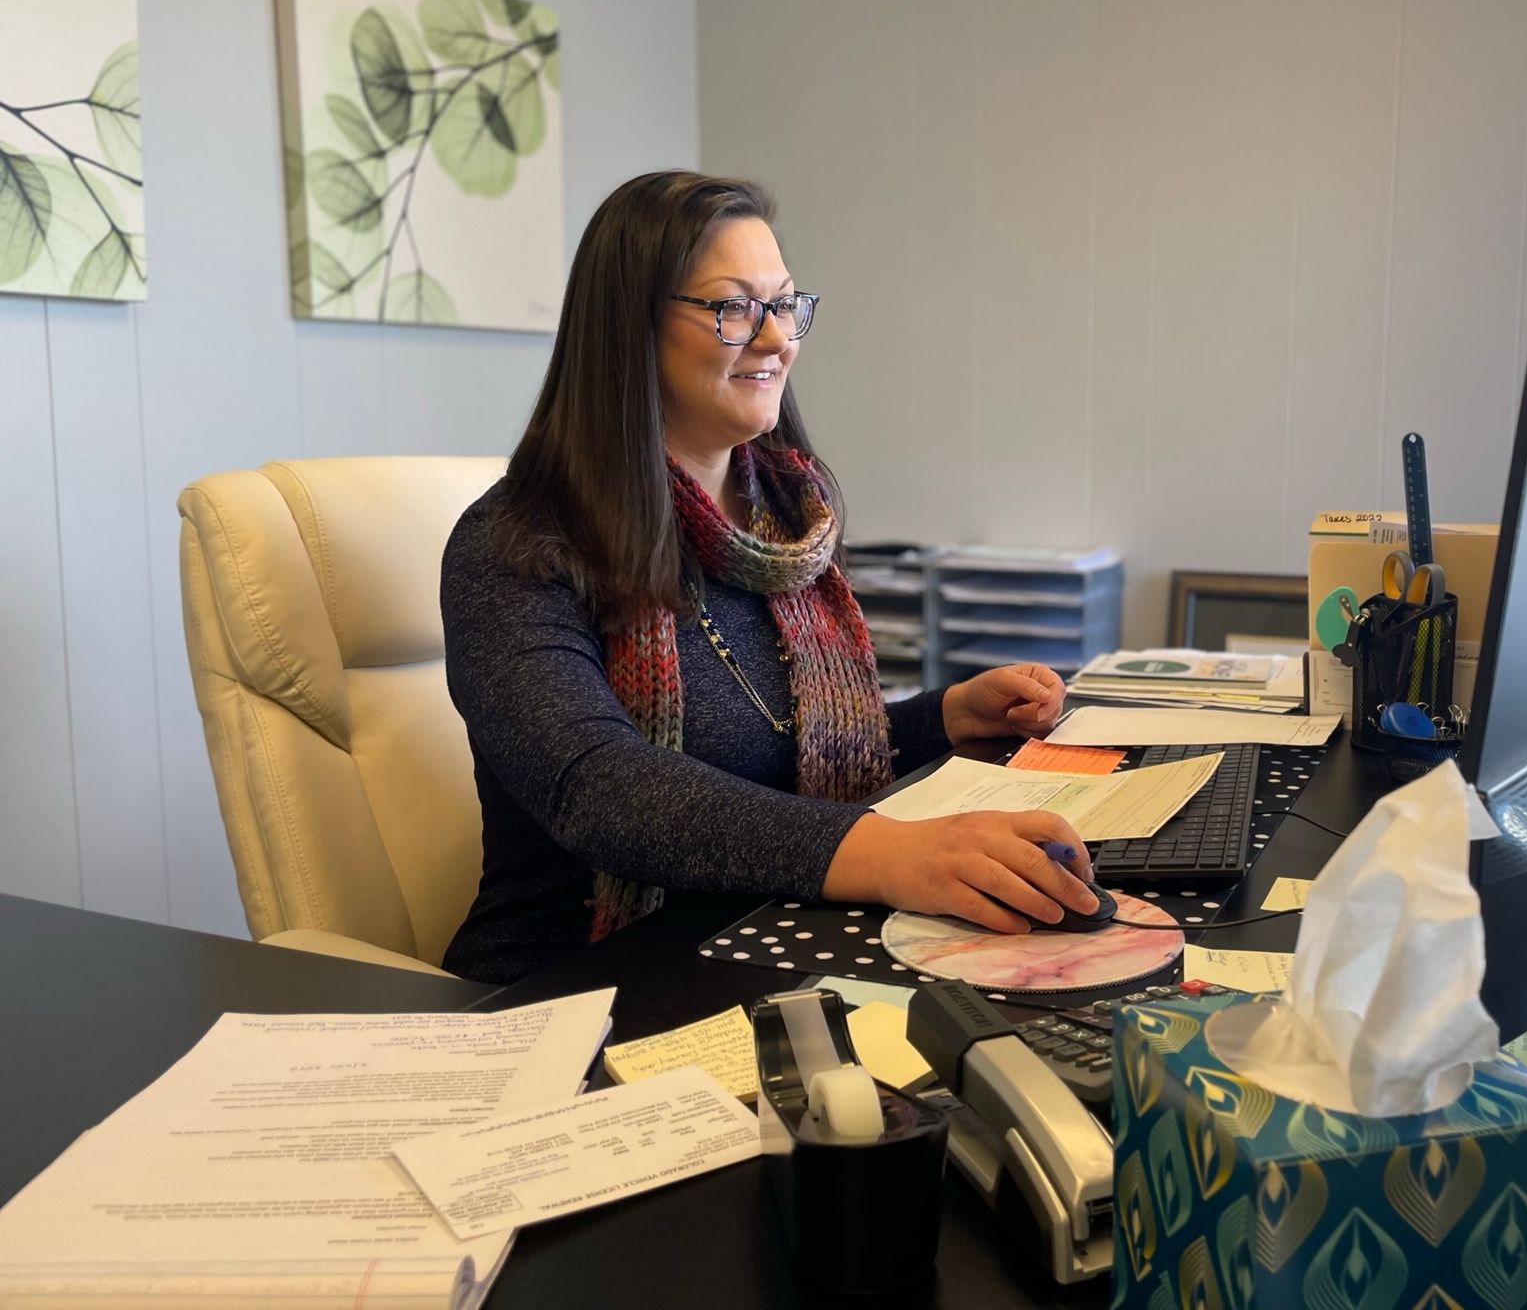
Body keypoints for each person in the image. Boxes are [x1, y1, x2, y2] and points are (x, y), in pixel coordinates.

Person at [439, 170, 1100, 983]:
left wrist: (943, 721)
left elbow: (774, 759)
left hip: (756, 941)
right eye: (732, 308)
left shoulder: (783, 525)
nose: (777, 339)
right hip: (567, 990)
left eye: (784, 305)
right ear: (628, 329)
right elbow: (598, 787)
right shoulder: (514, 545)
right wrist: (891, 853)